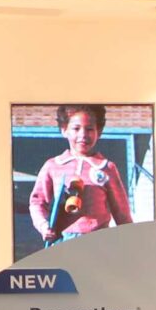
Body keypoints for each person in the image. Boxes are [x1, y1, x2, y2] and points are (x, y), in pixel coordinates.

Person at [28, 105, 134, 245]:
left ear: (99, 132)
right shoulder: (53, 166)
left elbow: (122, 213)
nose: (83, 135)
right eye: (76, 128)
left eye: (89, 129)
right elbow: (37, 202)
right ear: (64, 130)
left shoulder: (107, 168)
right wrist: (43, 225)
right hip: (62, 242)